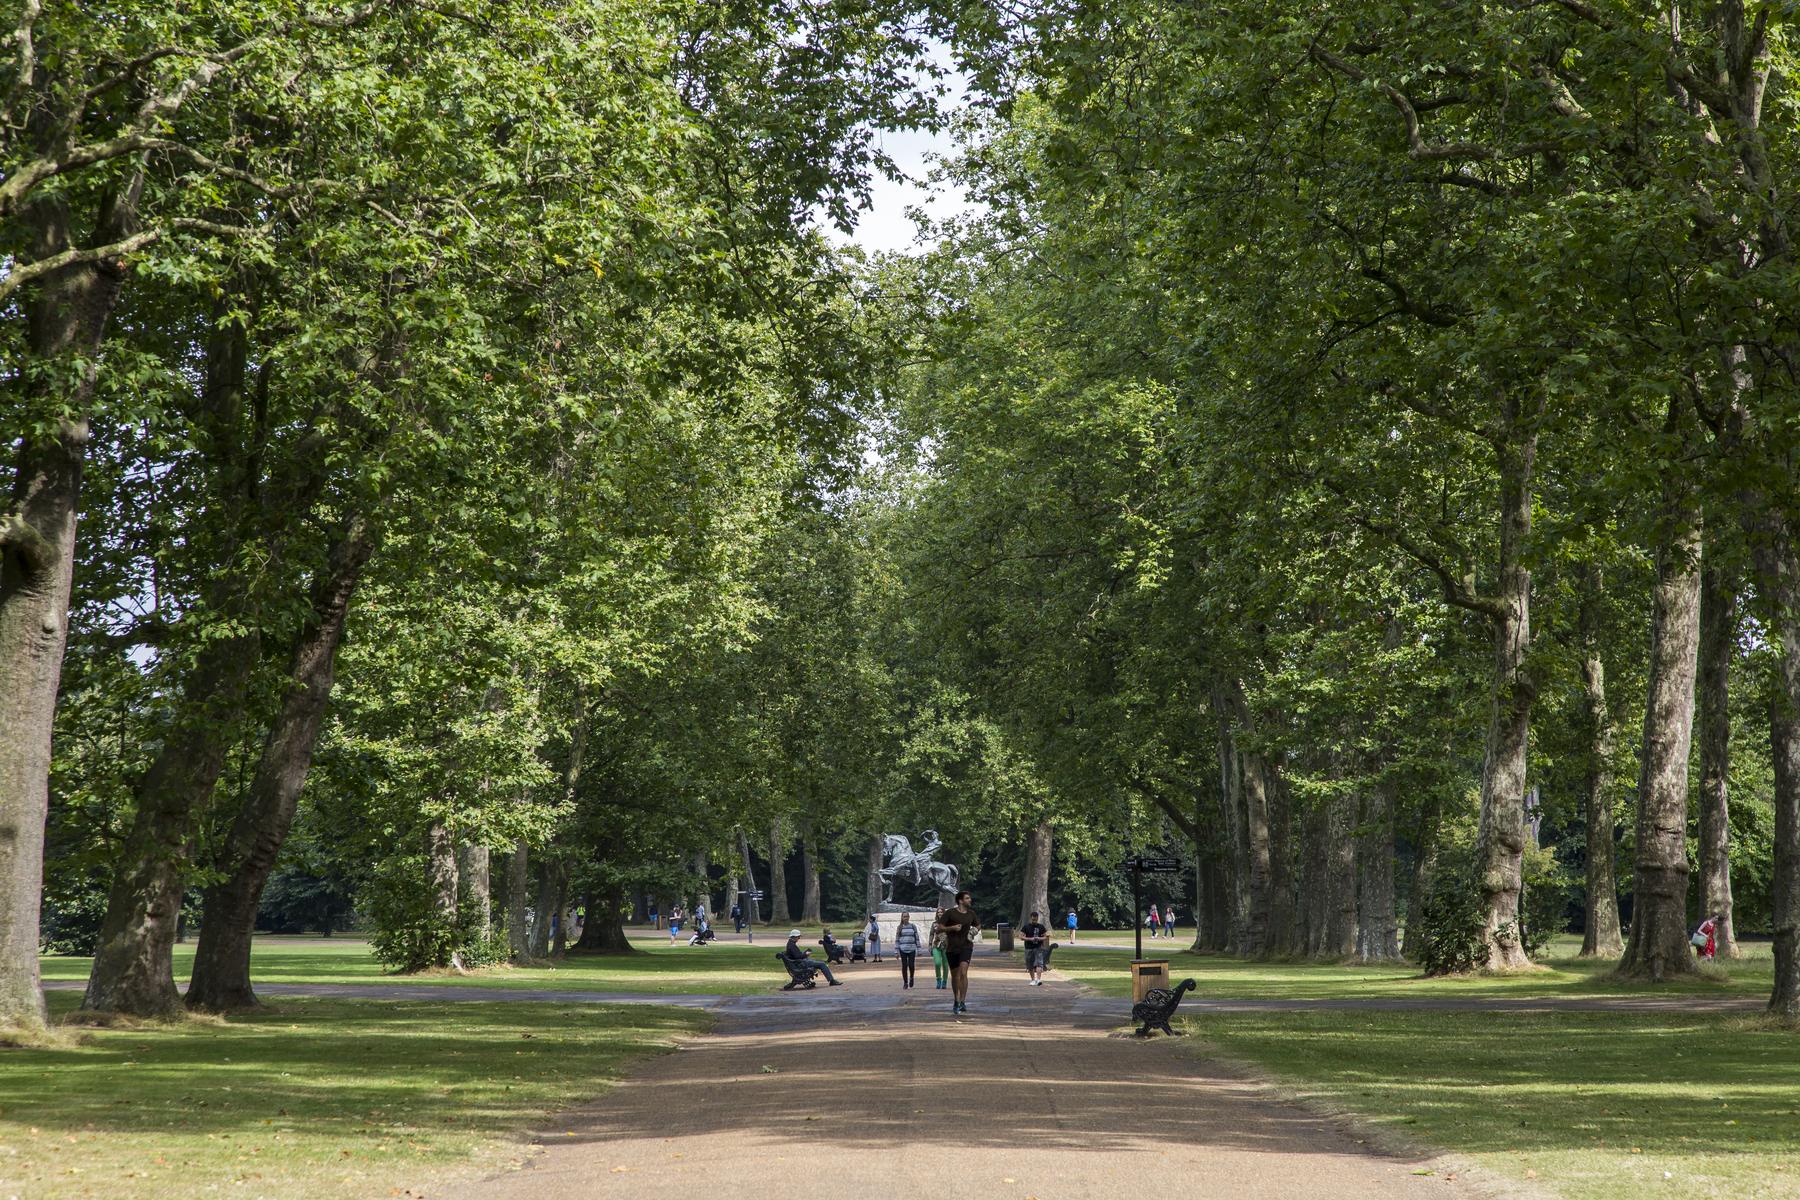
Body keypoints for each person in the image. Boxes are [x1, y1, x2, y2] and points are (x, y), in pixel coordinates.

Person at [937, 891, 980, 1014]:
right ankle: (956, 999)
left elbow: (978, 925)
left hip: (966, 946)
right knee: (955, 976)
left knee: (963, 972)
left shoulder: (971, 913)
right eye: (967, 898)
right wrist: (952, 928)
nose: (970, 900)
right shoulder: (950, 913)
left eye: (969, 898)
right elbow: (940, 927)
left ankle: (962, 1001)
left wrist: (974, 931)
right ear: (960, 901)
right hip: (952, 947)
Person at [1020, 909, 1050, 986]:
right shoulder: (1026, 927)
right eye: (1033, 919)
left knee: (1039, 963)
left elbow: (1046, 936)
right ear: (1031, 918)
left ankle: (1038, 979)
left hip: (1038, 947)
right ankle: (1033, 980)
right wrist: (1030, 939)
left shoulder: (1041, 927)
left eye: (1036, 919)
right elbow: (1021, 937)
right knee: (1030, 965)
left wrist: (1039, 938)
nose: (1034, 921)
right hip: (1028, 948)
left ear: (1037, 918)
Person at [894, 913, 921, 988]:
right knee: (904, 966)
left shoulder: (913, 926)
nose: (905, 918)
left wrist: (919, 949)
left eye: (907, 916)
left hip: (912, 948)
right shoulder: (899, 927)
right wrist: (896, 952)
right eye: (904, 917)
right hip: (903, 949)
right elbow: (897, 940)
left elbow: (917, 938)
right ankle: (905, 982)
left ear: (909, 917)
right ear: (902, 918)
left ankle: (911, 977)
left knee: (911, 965)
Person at [929, 908, 949, 989]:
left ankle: (944, 981)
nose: (940, 913)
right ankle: (938, 979)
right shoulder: (934, 924)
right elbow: (931, 934)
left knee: (945, 965)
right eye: (938, 912)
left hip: (946, 946)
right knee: (937, 963)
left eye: (941, 912)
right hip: (936, 946)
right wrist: (929, 945)